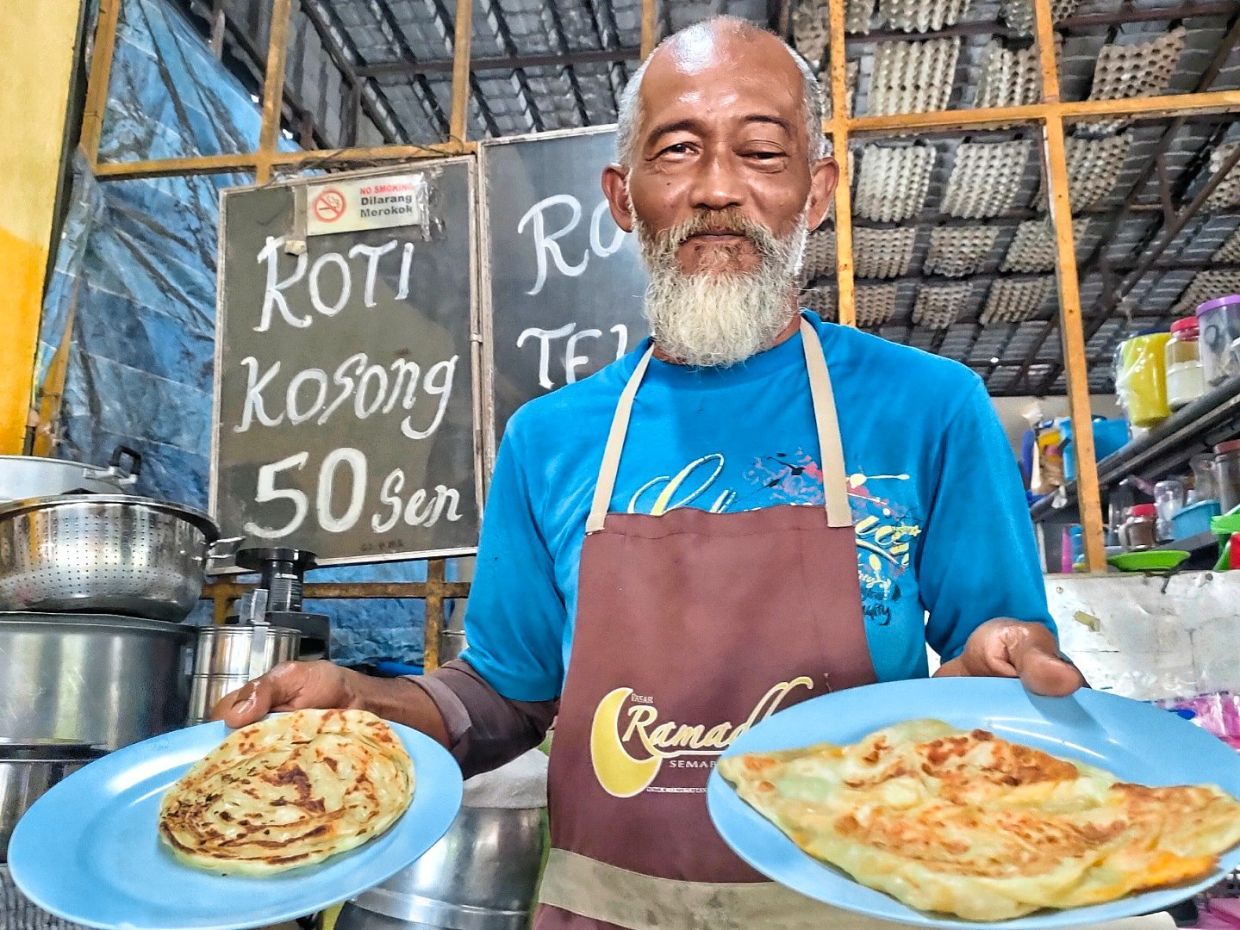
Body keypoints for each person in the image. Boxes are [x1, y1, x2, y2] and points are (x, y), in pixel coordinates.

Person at [217, 16, 1085, 928]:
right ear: (623, 196)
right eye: (677, 151)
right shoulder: (548, 438)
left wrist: (1006, 659)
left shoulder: (931, 406)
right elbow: (502, 697)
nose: (718, 189)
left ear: (816, 192)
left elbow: (999, 640)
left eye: (761, 151)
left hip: (863, 899)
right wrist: (365, 699)